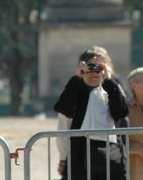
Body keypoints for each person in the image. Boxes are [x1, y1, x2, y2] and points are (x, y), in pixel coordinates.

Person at [53, 46, 129, 180]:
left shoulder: (111, 88)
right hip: (80, 158)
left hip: (109, 156)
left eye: (100, 67)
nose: (95, 71)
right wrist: (78, 77)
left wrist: (108, 80)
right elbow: (64, 112)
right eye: (91, 66)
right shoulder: (76, 87)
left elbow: (121, 113)